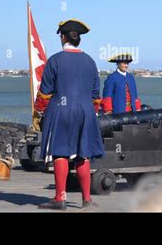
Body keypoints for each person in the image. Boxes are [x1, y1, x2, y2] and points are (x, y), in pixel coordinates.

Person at [33, 19, 105, 210]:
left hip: (61, 111)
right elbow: (96, 95)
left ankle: (60, 198)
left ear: (63, 37)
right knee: (83, 155)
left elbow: (45, 93)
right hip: (86, 112)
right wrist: (91, 113)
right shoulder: (90, 61)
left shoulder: (55, 60)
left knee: (60, 153)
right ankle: (87, 200)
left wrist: (39, 112)